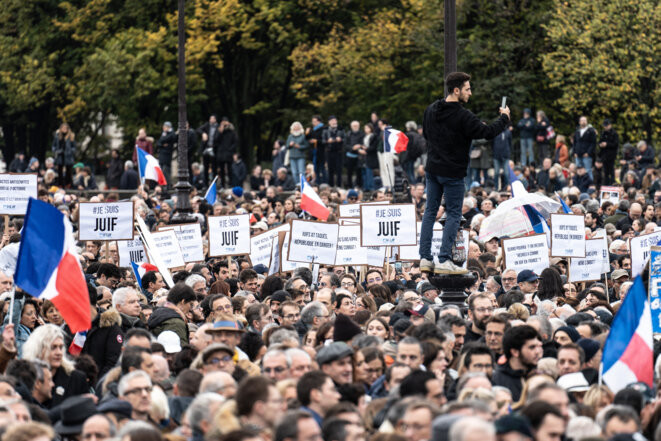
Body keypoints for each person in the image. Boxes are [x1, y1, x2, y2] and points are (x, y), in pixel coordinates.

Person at [419, 72, 510, 274]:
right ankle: (444, 259)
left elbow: (426, 134)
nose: (471, 93)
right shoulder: (462, 115)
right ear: (457, 90)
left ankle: (425, 257)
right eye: (468, 89)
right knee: (453, 214)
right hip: (452, 172)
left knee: (430, 212)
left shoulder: (431, 110)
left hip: (433, 168)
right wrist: (504, 118)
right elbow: (487, 133)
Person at [51, 123, 77, 187]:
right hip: (60, 156)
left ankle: (68, 184)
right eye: (63, 128)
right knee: (60, 171)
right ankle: (60, 184)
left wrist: (70, 151)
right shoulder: (57, 136)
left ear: (68, 129)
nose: (64, 129)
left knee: (69, 171)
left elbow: (74, 147)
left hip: (68, 156)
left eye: (66, 128)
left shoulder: (71, 136)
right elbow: (53, 146)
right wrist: (55, 151)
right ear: (61, 129)